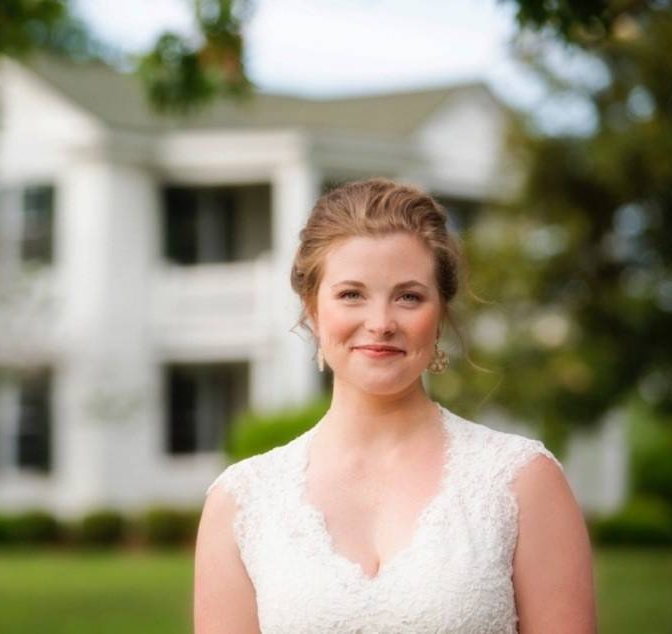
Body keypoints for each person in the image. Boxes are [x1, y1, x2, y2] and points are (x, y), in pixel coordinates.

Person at [193, 178, 596, 633]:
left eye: (408, 296)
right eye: (351, 294)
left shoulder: (523, 481)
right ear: (312, 309)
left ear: (440, 313)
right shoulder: (243, 501)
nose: (381, 323)